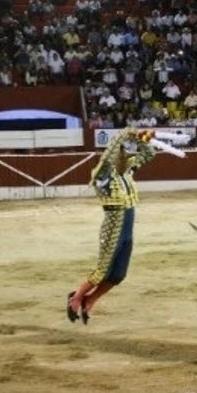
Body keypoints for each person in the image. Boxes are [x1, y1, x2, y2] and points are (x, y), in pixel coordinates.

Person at [66, 127, 158, 324]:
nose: (128, 158)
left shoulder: (127, 171)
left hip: (127, 226)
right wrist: (126, 133)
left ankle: (90, 300)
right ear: (117, 155)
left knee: (118, 274)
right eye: (124, 154)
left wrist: (142, 139)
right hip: (113, 226)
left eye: (128, 155)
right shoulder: (102, 174)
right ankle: (76, 297)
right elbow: (108, 156)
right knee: (102, 271)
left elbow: (150, 153)